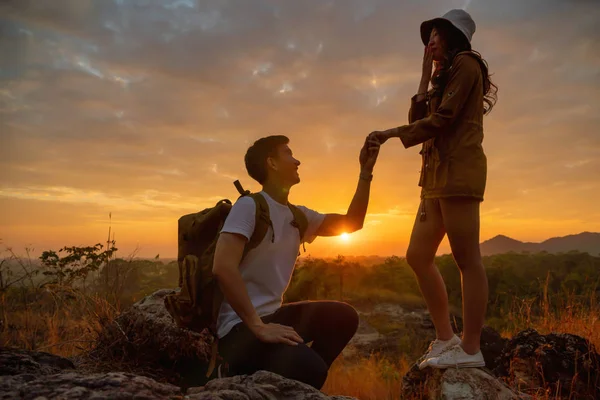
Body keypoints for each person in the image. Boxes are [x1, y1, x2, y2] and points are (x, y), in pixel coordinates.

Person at [368, 9, 498, 369]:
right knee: (417, 255)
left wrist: (390, 135)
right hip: (435, 179)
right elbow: (419, 121)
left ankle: (471, 349)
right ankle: (445, 337)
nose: (431, 40)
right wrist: (424, 76)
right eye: (430, 35)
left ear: (455, 36)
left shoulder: (467, 66)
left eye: (438, 33)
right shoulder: (442, 76)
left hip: (459, 173)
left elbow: (441, 120)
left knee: (466, 259)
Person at [212, 135, 380, 389]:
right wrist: (258, 326)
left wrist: (365, 172)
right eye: (289, 154)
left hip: (271, 318)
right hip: (239, 328)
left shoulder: (298, 216)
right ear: (272, 163)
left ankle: (295, 384)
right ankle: (235, 371)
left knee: (343, 317)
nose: (297, 160)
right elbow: (223, 267)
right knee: (310, 368)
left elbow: (353, 222)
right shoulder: (249, 206)